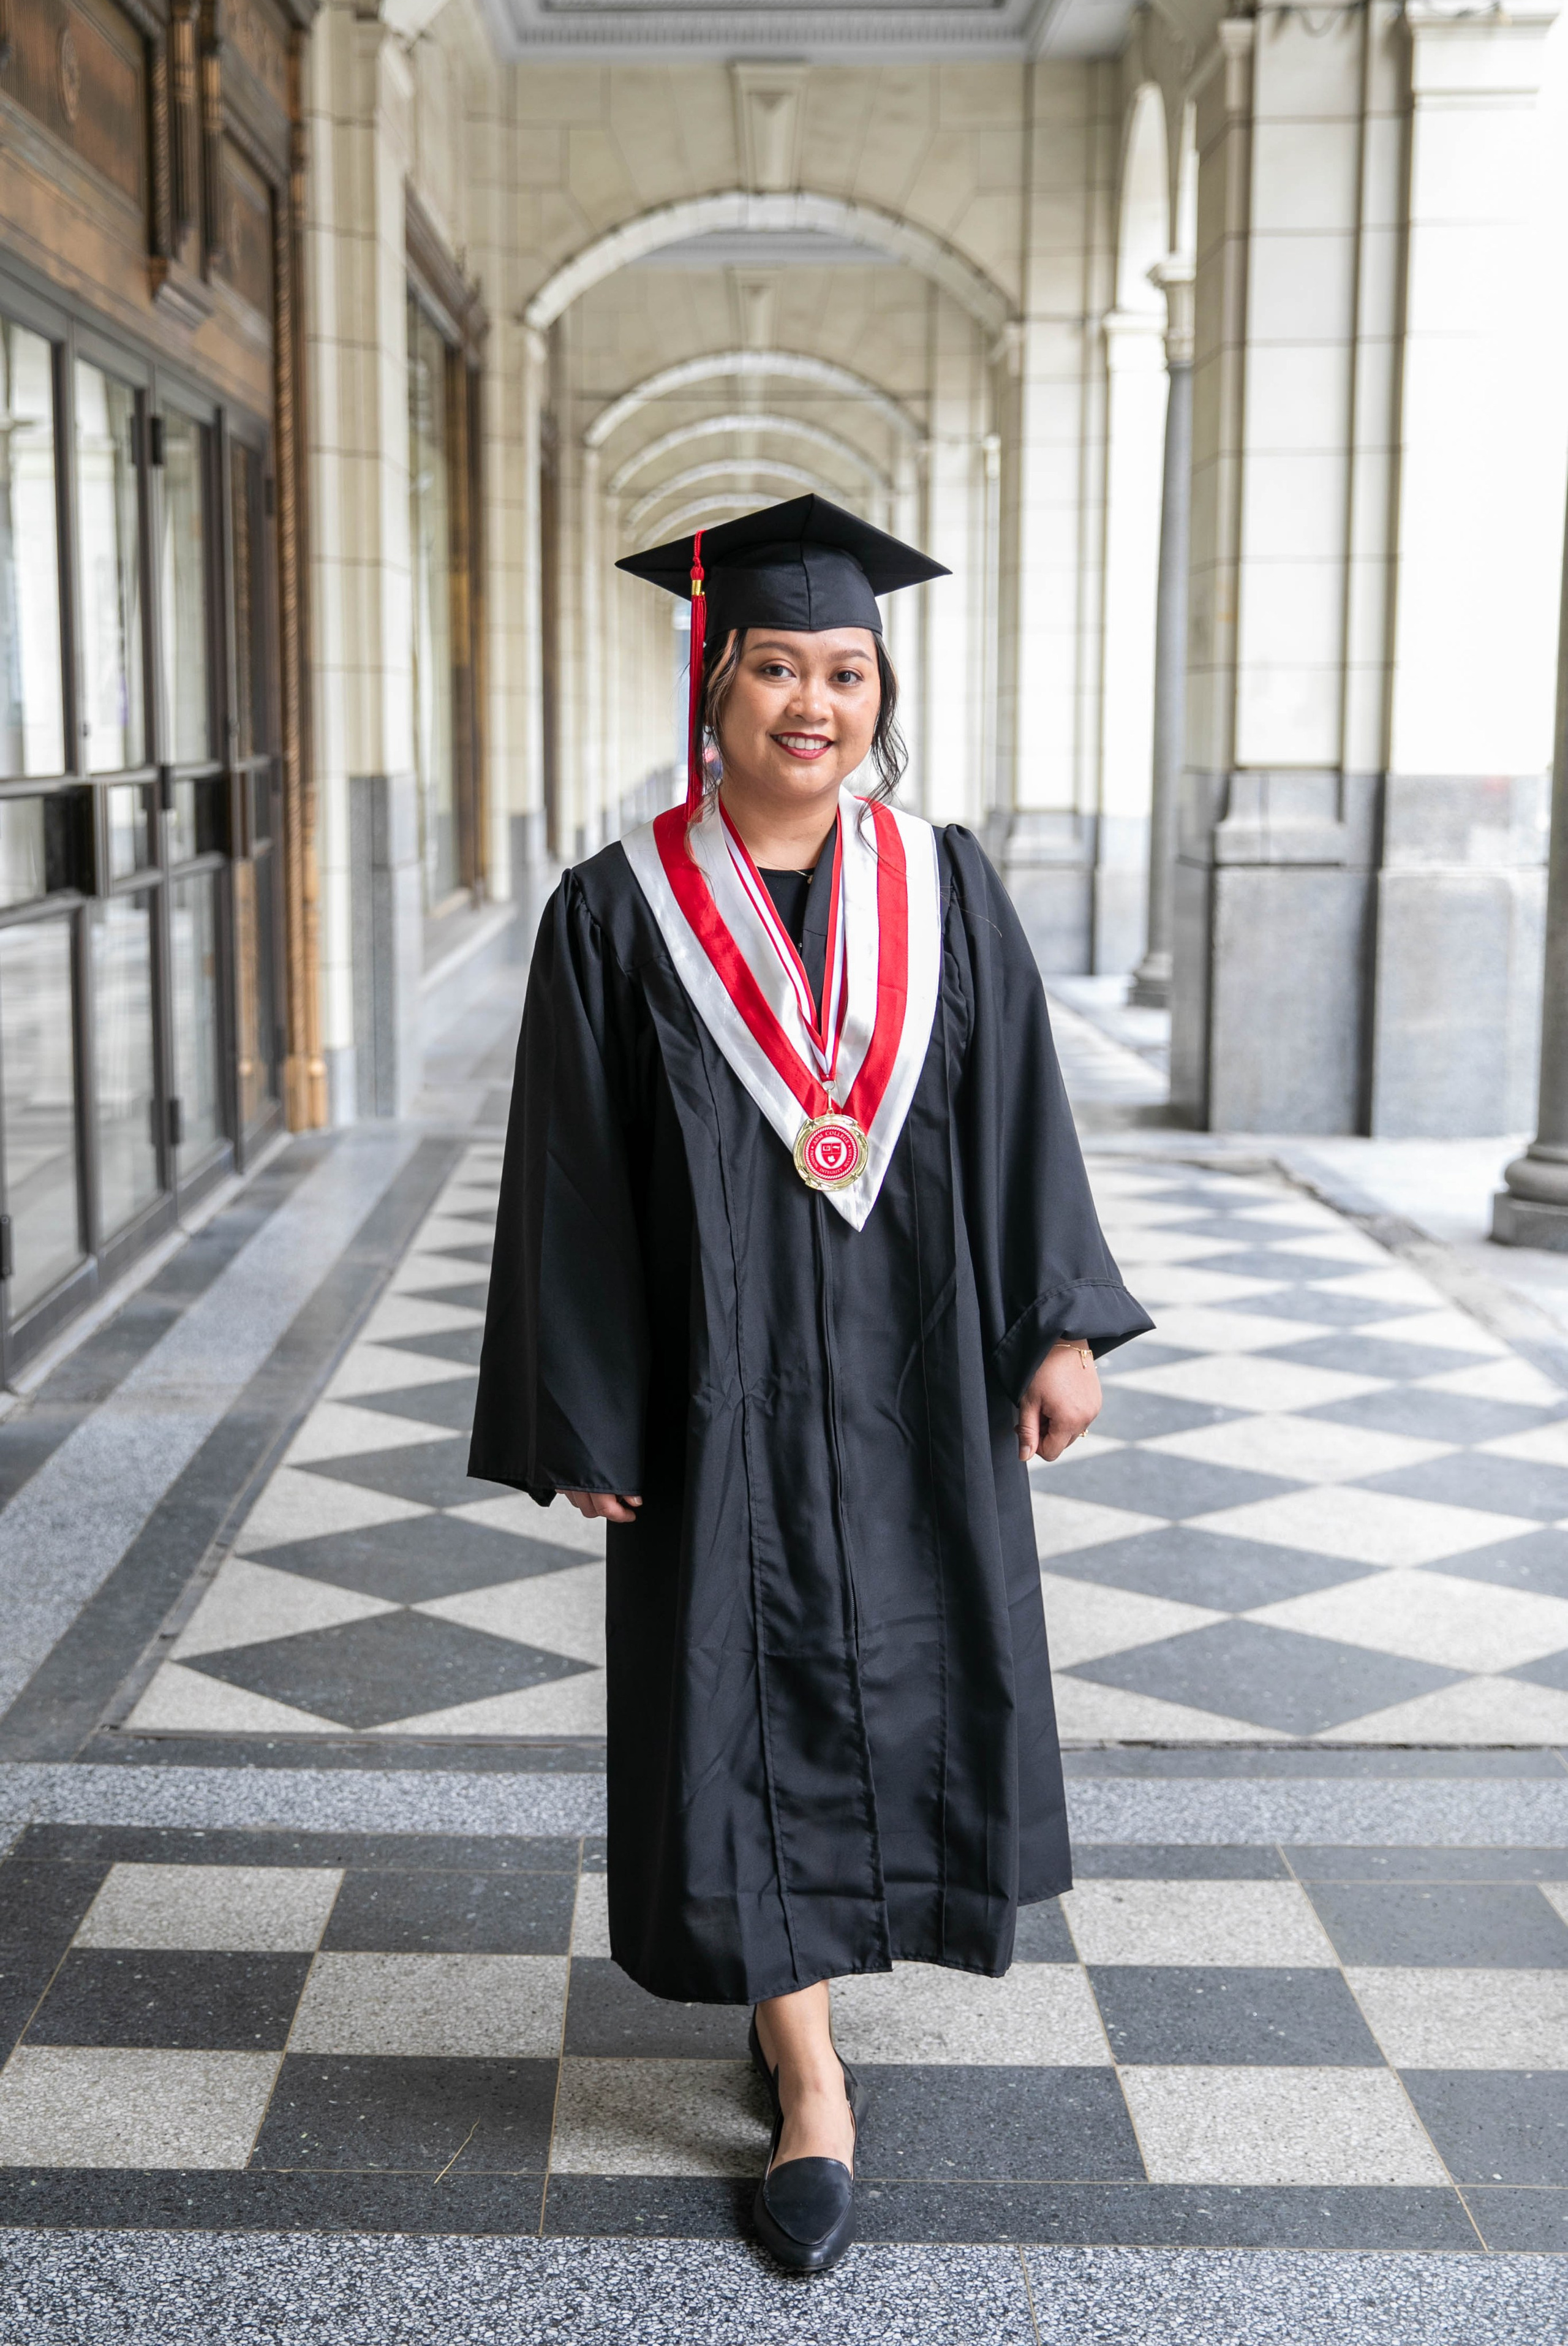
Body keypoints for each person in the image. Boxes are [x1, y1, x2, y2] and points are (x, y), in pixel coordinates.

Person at [470, 495, 1152, 2272]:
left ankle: (848, 1982)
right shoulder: (621, 912)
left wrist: (1061, 1321)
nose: (812, 702)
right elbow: (574, 1178)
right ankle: (807, 2071)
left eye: (844, 670)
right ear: (718, 682)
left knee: (909, 1674)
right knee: (737, 1704)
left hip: (918, 1371)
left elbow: (1018, 1117)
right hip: (718, 1398)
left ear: (878, 690)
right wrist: (588, 1406)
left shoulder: (944, 886)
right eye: (776, 663)